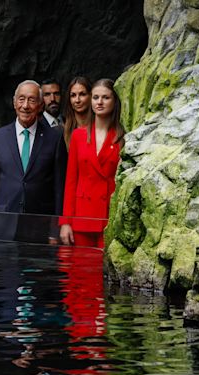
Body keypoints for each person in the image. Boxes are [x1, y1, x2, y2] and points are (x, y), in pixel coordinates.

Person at [0, 80, 67, 242]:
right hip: (3, 227)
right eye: (21, 99)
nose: (25, 105)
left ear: (40, 106)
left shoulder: (55, 139)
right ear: (14, 102)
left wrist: (55, 230)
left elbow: (59, 189)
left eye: (32, 100)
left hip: (40, 229)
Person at [59, 78, 125, 248]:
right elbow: (71, 181)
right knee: (79, 269)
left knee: (103, 270)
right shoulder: (78, 136)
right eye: (96, 97)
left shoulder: (122, 137)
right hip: (82, 216)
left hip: (108, 215)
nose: (99, 102)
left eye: (106, 98)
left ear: (115, 101)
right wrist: (65, 222)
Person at [62, 76, 92, 149]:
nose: (77, 100)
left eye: (82, 94)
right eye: (73, 95)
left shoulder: (101, 128)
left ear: (91, 96)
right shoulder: (61, 132)